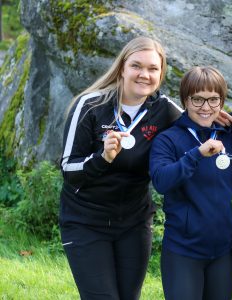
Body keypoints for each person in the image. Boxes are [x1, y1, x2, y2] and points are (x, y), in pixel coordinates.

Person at [59, 36, 183, 300]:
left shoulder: (165, 110)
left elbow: (202, 125)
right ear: (122, 68)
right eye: (136, 66)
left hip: (134, 224)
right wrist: (102, 157)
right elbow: (68, 170)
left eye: (153, 68)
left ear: (161, 74)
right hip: (85, 221)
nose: (144, 74)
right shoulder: (91, 105)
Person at [149, 66, 232, 300]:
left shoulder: (229, 136)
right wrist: (196, 155)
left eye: (213, 100)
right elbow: (161, 181)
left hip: (222, 251)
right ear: (185, 100)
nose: (206, 107)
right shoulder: (168, 139)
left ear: (222, 101)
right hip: (183, 250)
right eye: (198, 99)